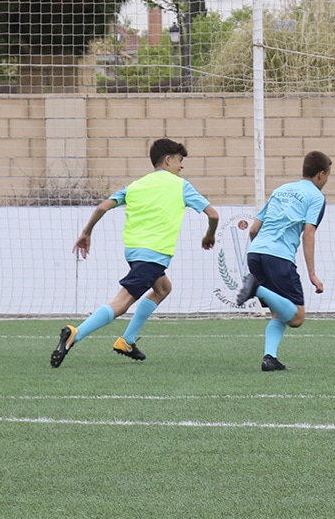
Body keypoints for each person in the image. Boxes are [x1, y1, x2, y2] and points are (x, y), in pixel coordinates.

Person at [51, 138, 219, 368]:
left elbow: (102, 207)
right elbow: (213, 214)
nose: (182, 166)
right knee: (122, 302)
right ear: (168, 160)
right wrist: (209, 235)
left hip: (134, 252)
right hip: (154, 253)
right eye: (180, 161)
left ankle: (126, 341)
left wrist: (86, 232)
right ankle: (75, 334)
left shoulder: (136, 185)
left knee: (163, 288)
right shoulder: (181, 186)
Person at [235, 150, 331, 371]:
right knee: (296, 317)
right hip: (278, 257)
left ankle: (270, 358)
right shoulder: (316, 197)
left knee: (279, 312)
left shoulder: (281, 190)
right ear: (321, 174)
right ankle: (256, 288)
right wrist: (313, 274)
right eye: (327, 177)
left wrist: (260, 250)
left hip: (256, 252)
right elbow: (308, 233)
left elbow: (254, 229)